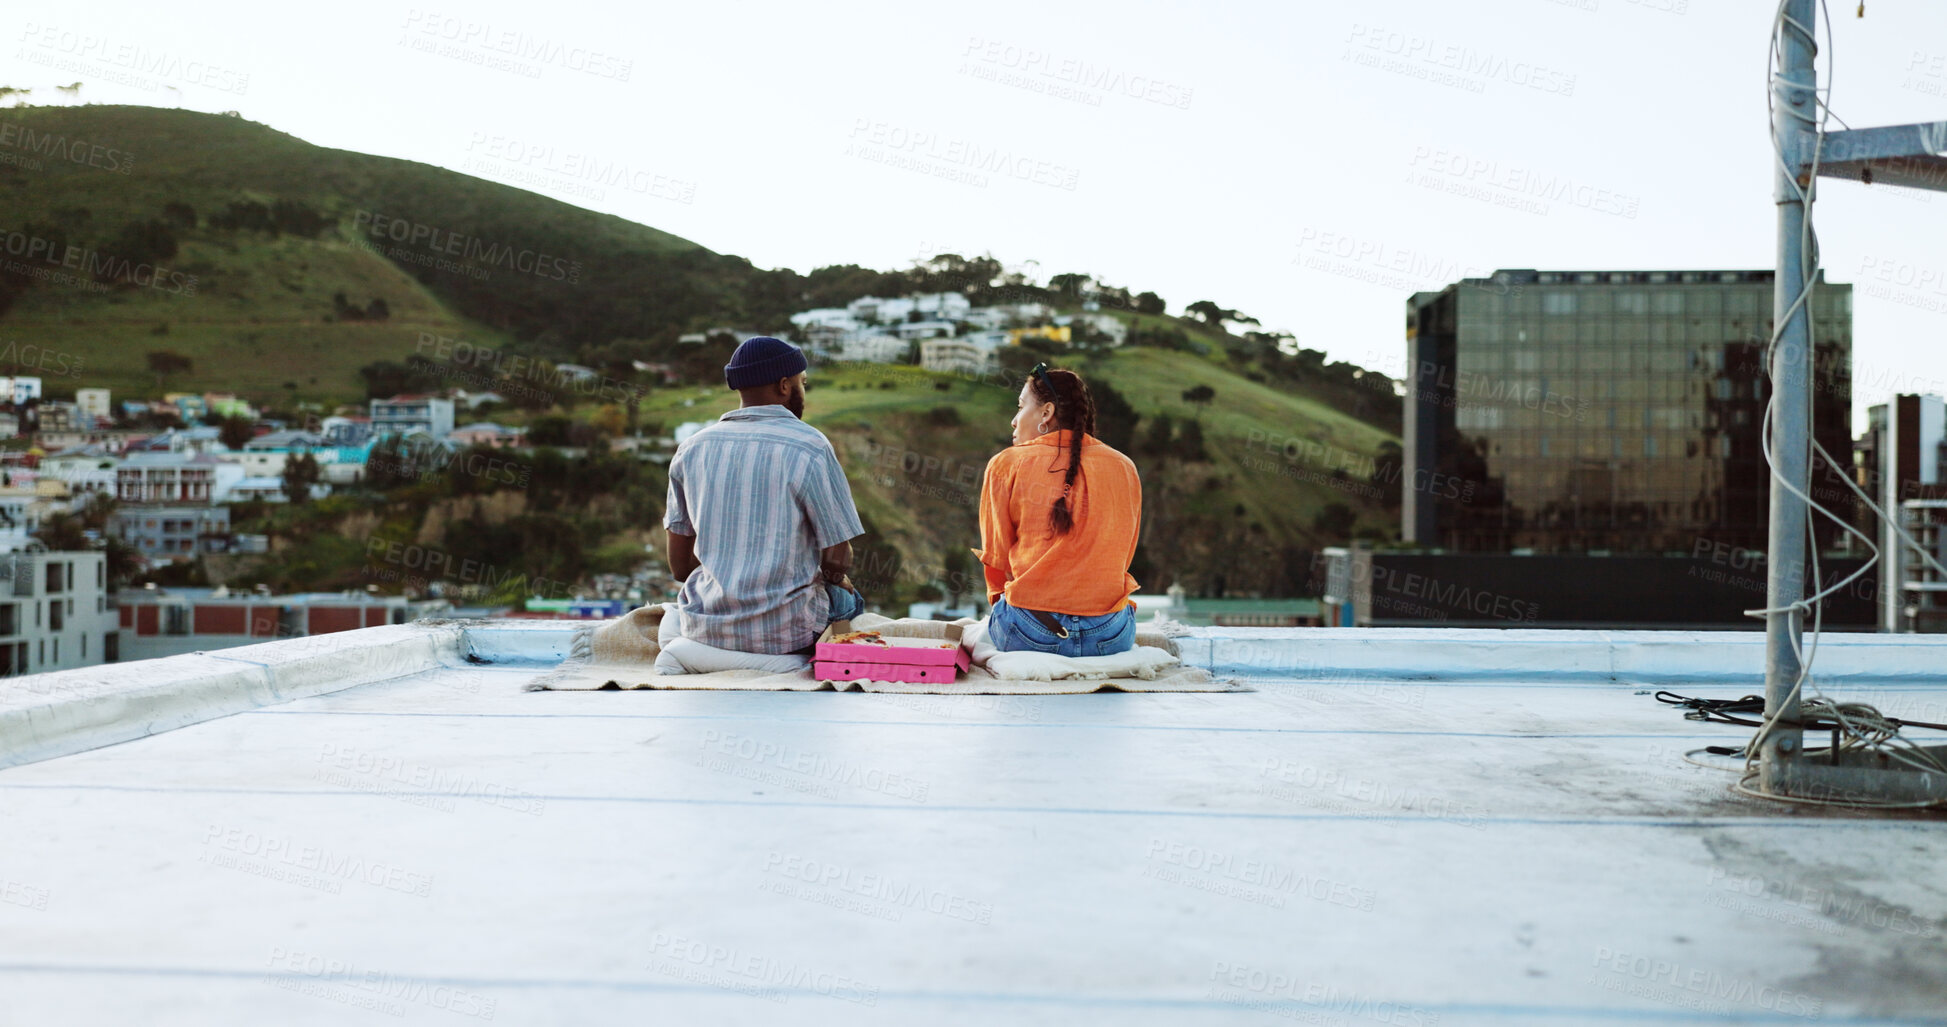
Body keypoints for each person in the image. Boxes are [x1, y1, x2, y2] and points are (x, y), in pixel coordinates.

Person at [659, 336, 866, 673]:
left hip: (705, 627)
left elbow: (680, 569)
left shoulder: (691, 448)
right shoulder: (810, 445)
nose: (803, 390)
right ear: (784, 385)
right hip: (789, 634)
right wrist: (835, 578)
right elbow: (837, 557)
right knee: (849, 601)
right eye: (802, 382)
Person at [975, 362, 1143, 657]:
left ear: (1046, 413)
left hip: (1029, 631)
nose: (1014, 421)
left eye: (1020, 407)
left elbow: (996, 559)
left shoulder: (1005, 464)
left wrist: (1007, 608)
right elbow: (1124, 554)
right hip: (1111, 634)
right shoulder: (1124, 467)